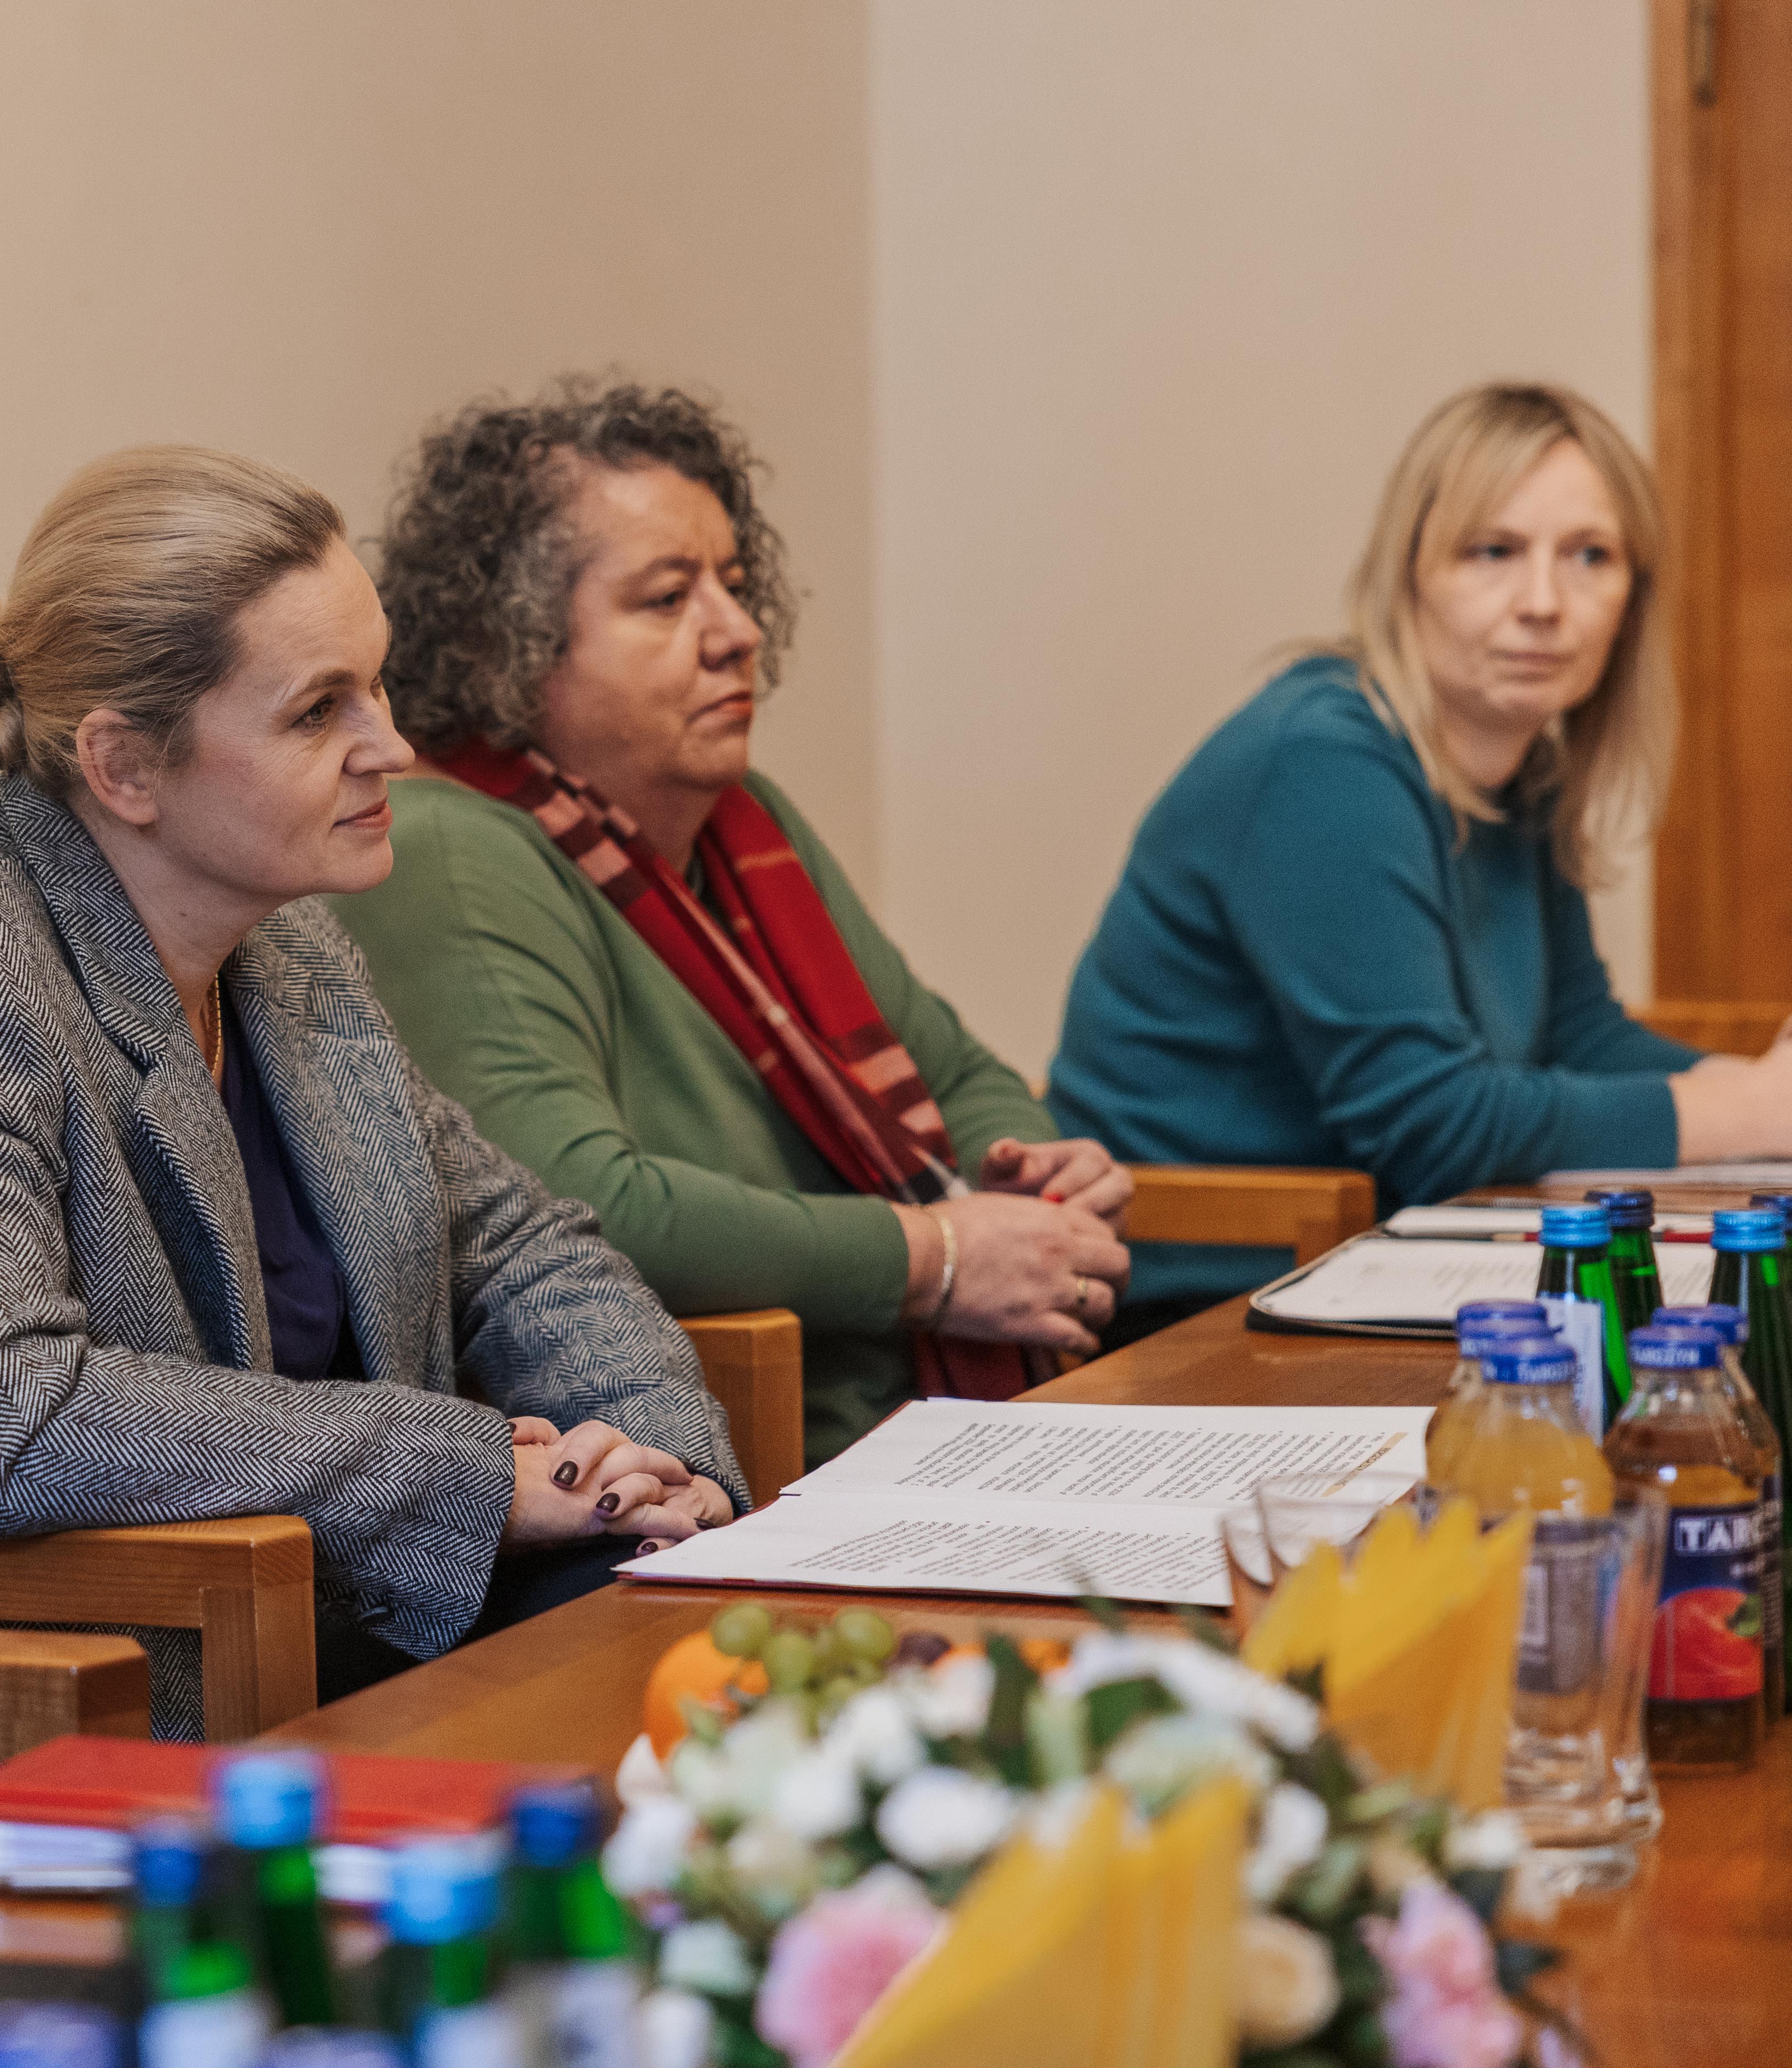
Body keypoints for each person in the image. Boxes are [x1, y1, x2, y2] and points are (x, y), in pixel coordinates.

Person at [0, 445, 745, 1751]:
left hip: (303, 1637)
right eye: (318, 712)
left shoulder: (285, 939)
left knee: (675, 1632)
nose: (393, 745)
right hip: (45, 1719)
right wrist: (474, 1472)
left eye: (376, 682)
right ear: (126, 766)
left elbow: (518, 1246)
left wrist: (657, 1469)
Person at [331, 381, 1130, 1464]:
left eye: (737, 586)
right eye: (668, 599)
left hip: (934, 1418)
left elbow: (957, 1072)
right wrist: (935, 1257)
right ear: (508, 644)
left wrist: (1032, 1181)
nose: (739, 632)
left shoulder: (743, 820)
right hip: (763, 1448)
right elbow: (580, 1204)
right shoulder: (450, 845)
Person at [1048, 380, 1792, 1330]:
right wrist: (1750, 1112)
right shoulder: (1322, 761)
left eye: (1590, 557)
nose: (1543, 603)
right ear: (1410, 575)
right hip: (1202, 1297)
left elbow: (1580, 1039)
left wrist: (1753, 1089)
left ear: (1633, 597)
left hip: (1369, 1261)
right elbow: (1434, 1127)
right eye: (1493, 551)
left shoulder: (1521, 772)